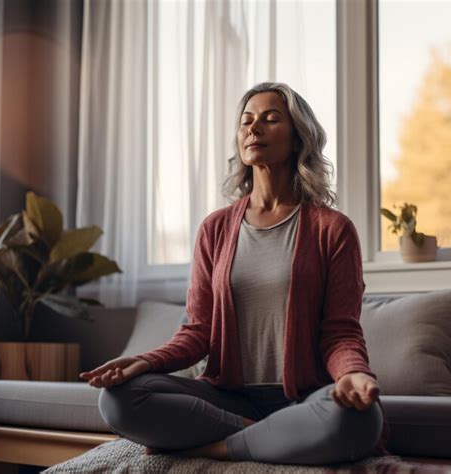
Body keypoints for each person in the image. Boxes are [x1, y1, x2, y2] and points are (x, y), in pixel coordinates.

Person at [79, 81, 390, 465]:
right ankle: (269, 436)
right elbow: (197, 332)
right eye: (247, 121)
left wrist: (352, 375)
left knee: (359, 421)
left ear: (298, 139)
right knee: (118, 400)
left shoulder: (332, 229)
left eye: (270, 119)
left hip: (305, 396)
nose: (253, 128)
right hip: (229, 398)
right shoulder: (215, 228)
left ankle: (216, 446)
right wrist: (146, 361)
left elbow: (340, 332)